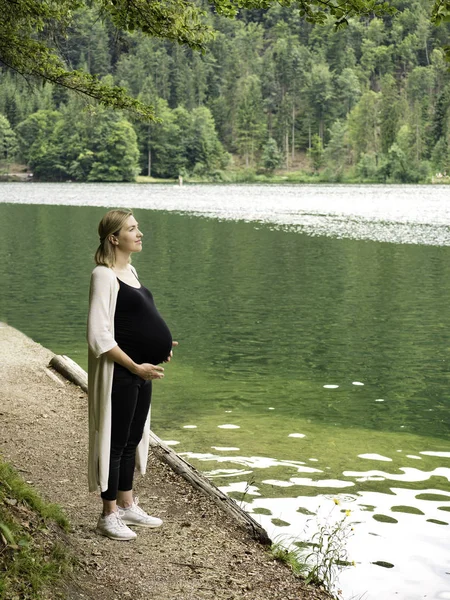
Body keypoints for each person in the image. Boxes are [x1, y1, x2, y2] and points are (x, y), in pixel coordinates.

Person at [87, 209, 176, 541]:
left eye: (137, 228)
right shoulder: (104, 275)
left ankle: (126, 503)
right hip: (122, 371)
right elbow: (99, 335)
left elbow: (133, 322)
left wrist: (161, 344)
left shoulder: (130, 271)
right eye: (132, 229)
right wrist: (135, 364)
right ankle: (108, 513)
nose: (140, 234)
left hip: (142, 370)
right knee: (115, 440)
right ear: (114, 238)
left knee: (132, 438)